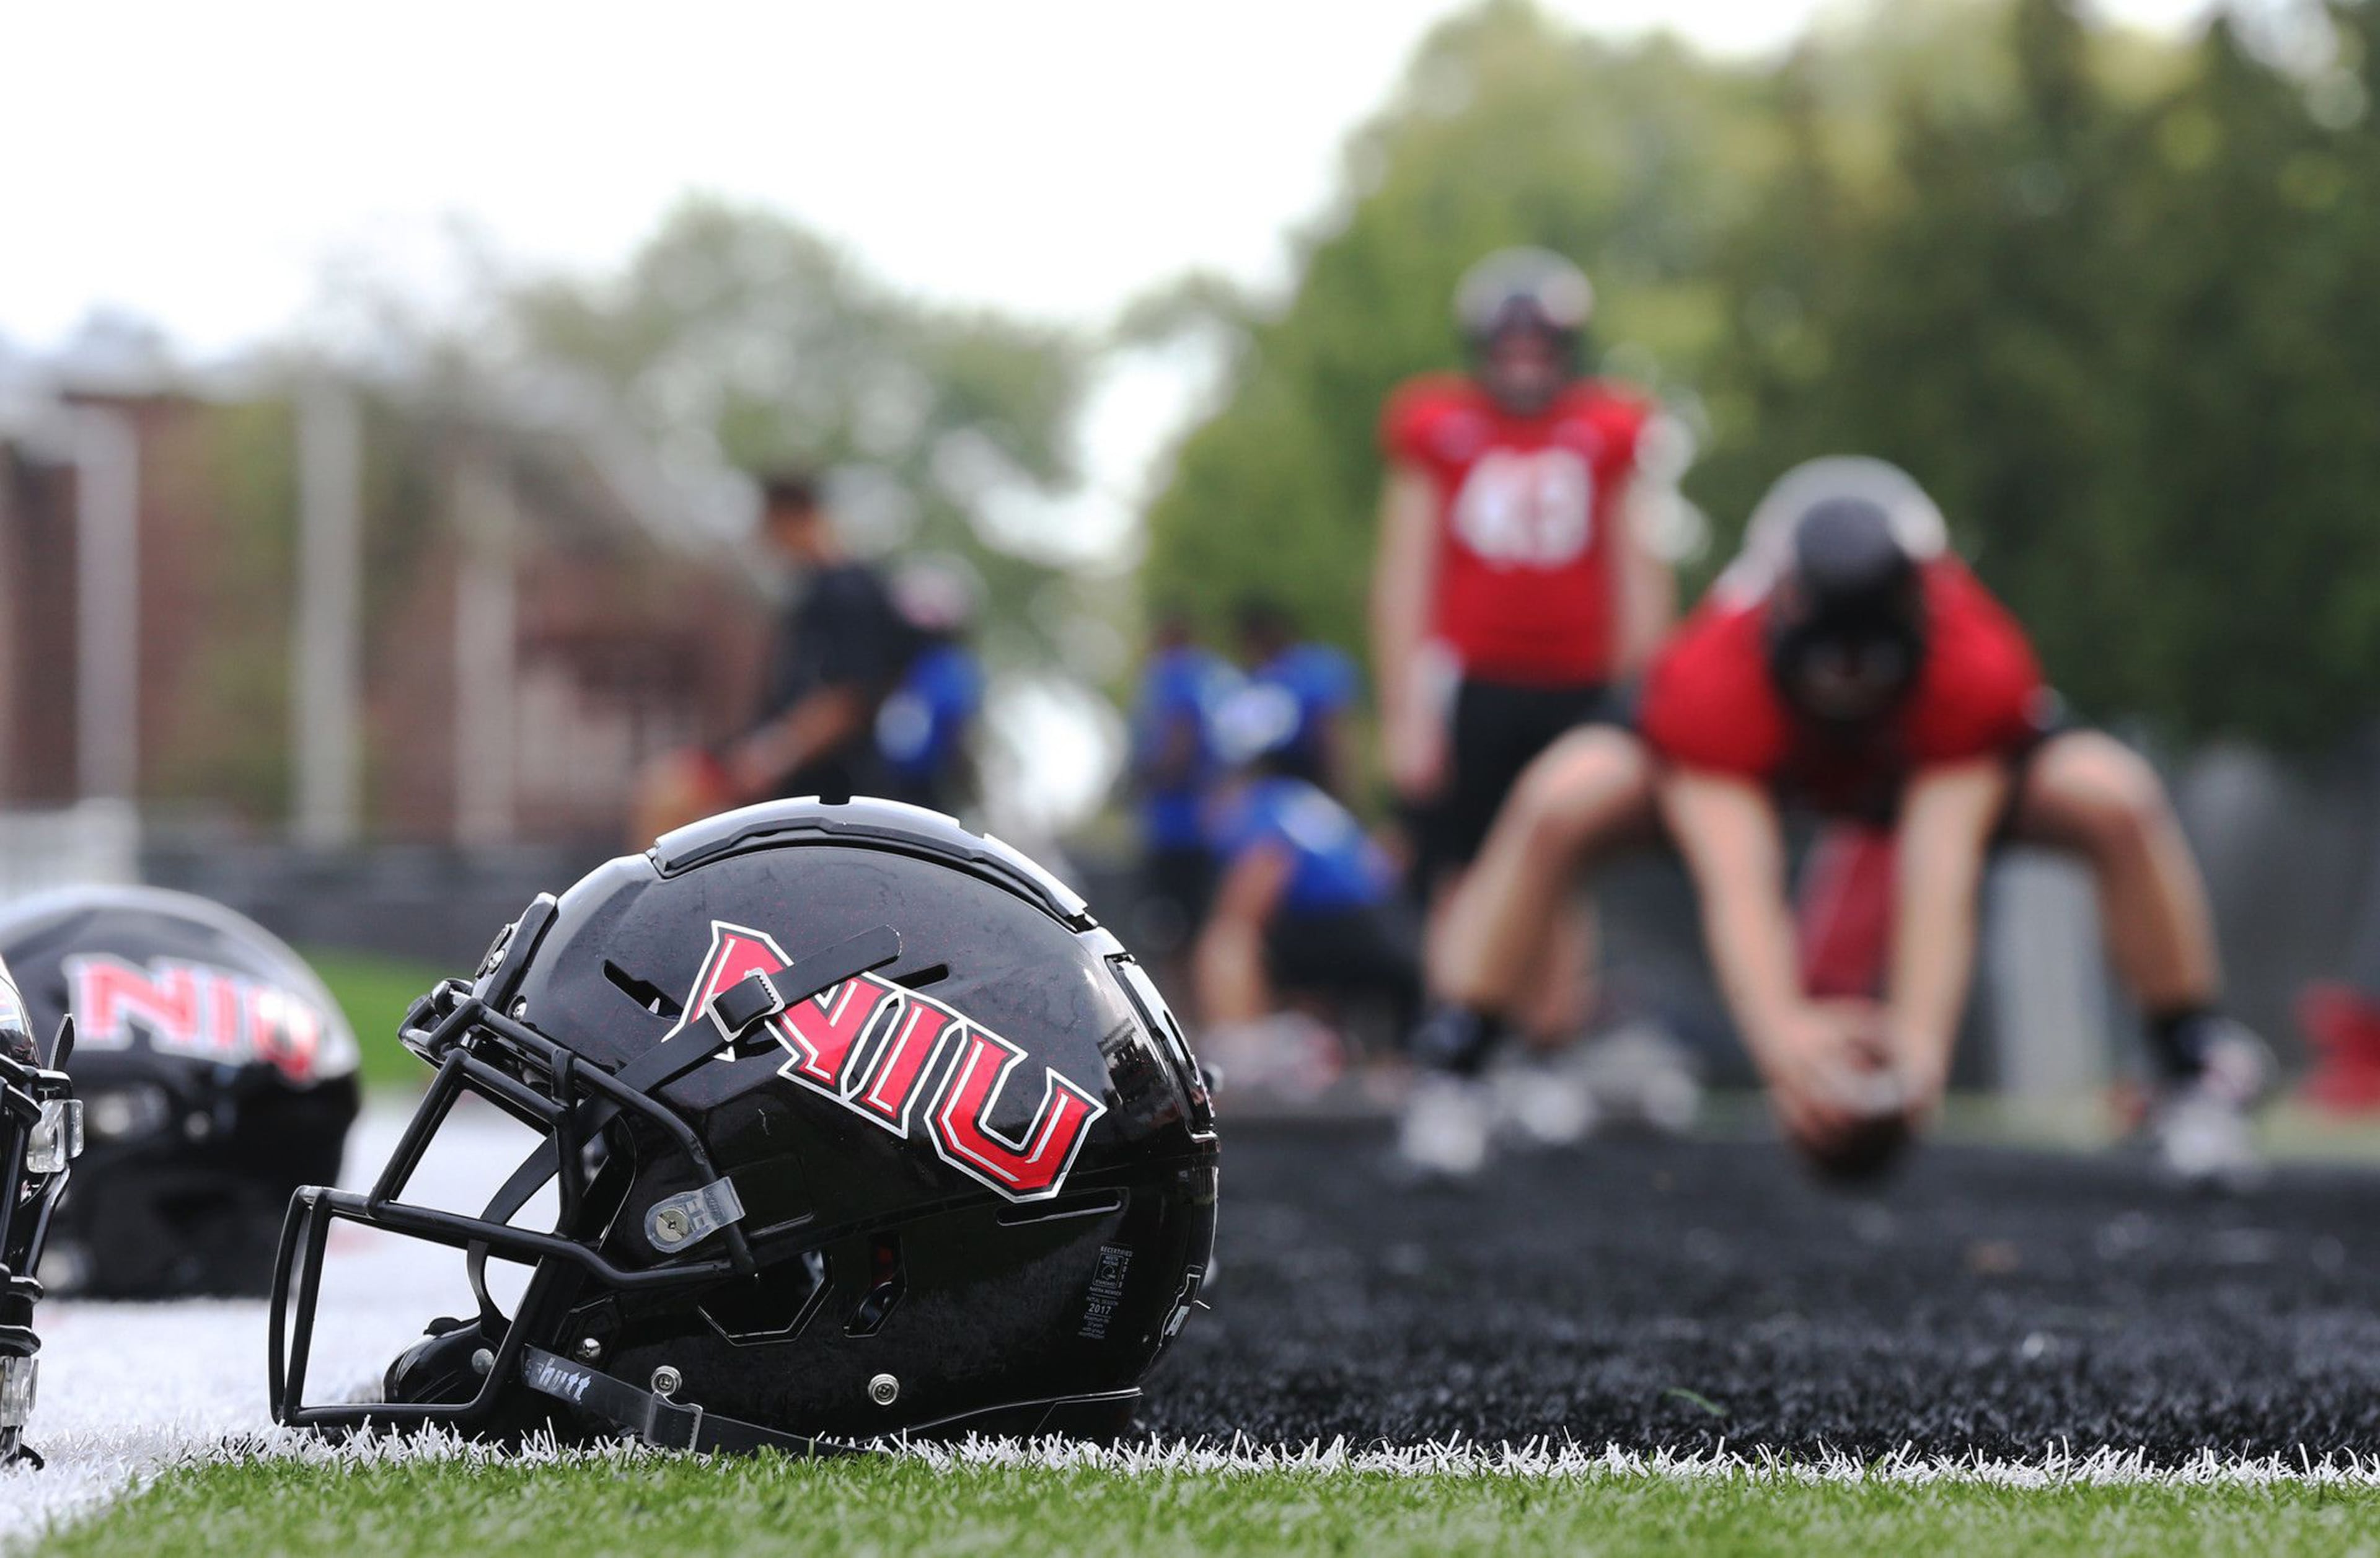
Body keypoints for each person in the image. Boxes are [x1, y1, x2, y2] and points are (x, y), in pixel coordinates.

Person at [1401, 457, 2269, 1188]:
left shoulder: (1970, 667)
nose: (1846, 695)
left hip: (1916, 783)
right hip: (1753, 778)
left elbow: (1940, 864)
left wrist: (1918, 1059)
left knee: (2116, 795)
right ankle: (1460, 1064)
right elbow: (1737, 876)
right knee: (1562, 796)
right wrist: (1785, 1043)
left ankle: (2188, 1069)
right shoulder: (1718, 675)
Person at [1370, 247, 1673, 1058]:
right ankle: (1456, 1049)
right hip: (1473, 681)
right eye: (1510, 347)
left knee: (1560, 869)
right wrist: (1405, 710)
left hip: (1578, 683)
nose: (1525, 363)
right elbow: (1406, 571)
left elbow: (1637, 566)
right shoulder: (1440, 426)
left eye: (1540, 346)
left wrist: (1646, 690)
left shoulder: (1607, 429)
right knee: (1463, 871)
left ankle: (1549, 1048)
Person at [1194, 686, 1421, 1100]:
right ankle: (1323, 1051)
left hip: (1344, 937)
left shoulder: (1260, 805)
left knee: (1227, 936)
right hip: (1399, 945)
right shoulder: (1320, 806)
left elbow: (1254, 892)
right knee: (1289, 942)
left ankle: (1245, 1057)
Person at [724, 472, 915, 805]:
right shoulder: (810, 593)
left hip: (834, 793)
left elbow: (849, 697)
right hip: (800, 787)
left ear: (793, 517)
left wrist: (770, 756)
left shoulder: (850, 591)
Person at [1127, 610, 1240, 987]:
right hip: (1214, 827)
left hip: (1178, 829)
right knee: (1205, 925)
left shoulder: (1175, 673)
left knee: (1173, 931)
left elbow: (1180, 741)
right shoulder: (1216, 675)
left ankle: (1186, 1016)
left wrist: (1144, 774)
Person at [876, 557, 985, 816]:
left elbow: (957, 736)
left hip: (930, 795)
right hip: (885, 791)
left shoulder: (951, 670)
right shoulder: (893, 672)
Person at [1233, 596, 1360, 798]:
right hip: (1276, 775)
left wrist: (1342, 785)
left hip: (1311, 769)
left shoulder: (1314, 669)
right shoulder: (1260, 676)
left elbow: (1332, 734)